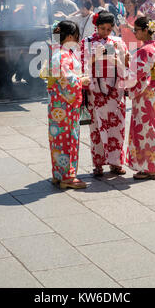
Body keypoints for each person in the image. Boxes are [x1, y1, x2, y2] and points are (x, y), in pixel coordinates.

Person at [81, 10, 129, 177]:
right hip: (96, 91)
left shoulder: (118, 41)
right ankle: (98, 164)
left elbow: (126, 65)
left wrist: (118, 59)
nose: (106, 32)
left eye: (109, 29)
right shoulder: (86, 42)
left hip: (116, 91)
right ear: (96, 26)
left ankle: (116, 163)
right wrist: (96, 57)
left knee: (117, 126)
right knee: (96, 128)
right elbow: (82, 65)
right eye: (102, 28)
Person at [47, 20, 90, 189]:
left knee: (57, 139)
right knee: (69, 139)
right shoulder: (63, 55)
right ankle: (68, 177)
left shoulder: (58, 52)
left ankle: (58, 174)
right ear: (71, 36)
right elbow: (68, 80)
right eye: (77, 36)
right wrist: (82, 80)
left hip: (57, 104)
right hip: (66, 104)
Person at [126, 16, 155, 180]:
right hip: (150, 92)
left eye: (137, 30)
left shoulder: (145, 50)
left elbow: (136, 74)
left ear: (146, 31)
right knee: (150, 126)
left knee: (146, 128)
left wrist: (124, 75)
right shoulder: (153, 46)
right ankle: (153, 165)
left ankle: (149, 167)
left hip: (144, 93)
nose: (134, 33)